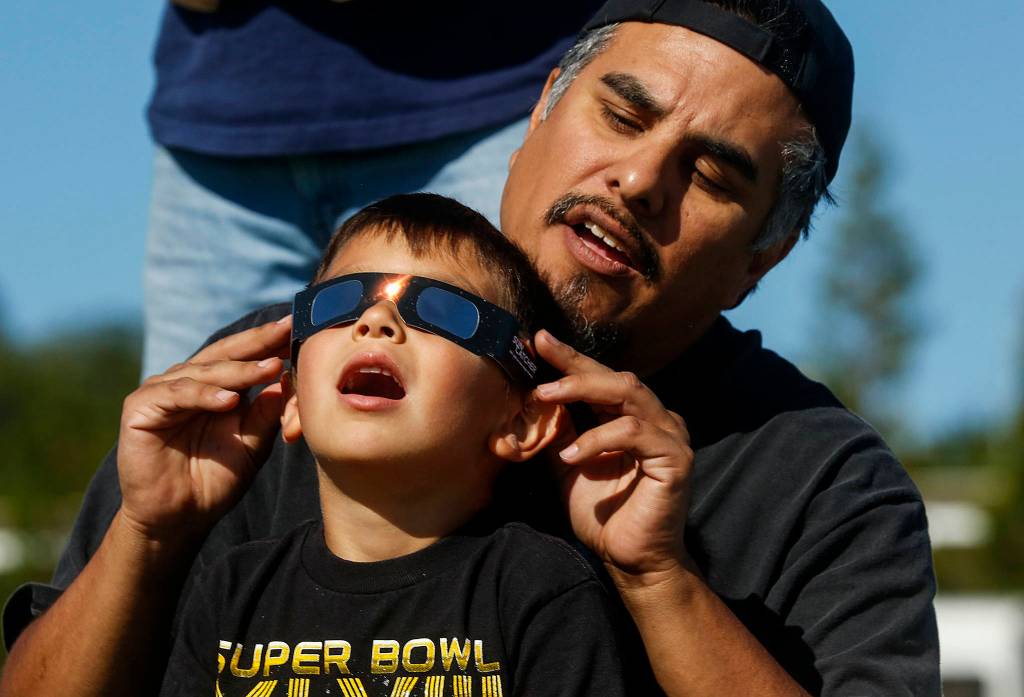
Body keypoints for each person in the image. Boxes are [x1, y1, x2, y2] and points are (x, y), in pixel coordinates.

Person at [0, 1, 941, 696]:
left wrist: (662, 584)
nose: (640, 179)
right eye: (621, 115)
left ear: (763, 257)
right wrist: (149, 540)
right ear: (540, 110)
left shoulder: (824, 484)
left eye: (711, 175)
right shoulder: (283, 369)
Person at [157, 193, 631, 696]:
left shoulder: (540, 591)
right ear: (291, 402)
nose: (376, 321)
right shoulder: (232, 594)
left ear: (522, 421)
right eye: (339, 302)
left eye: (442, 310)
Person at [142, 0, 603, 377]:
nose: (374, 325)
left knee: (520, 415)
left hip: (491, 92)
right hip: (218, 130)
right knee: (192, 443)